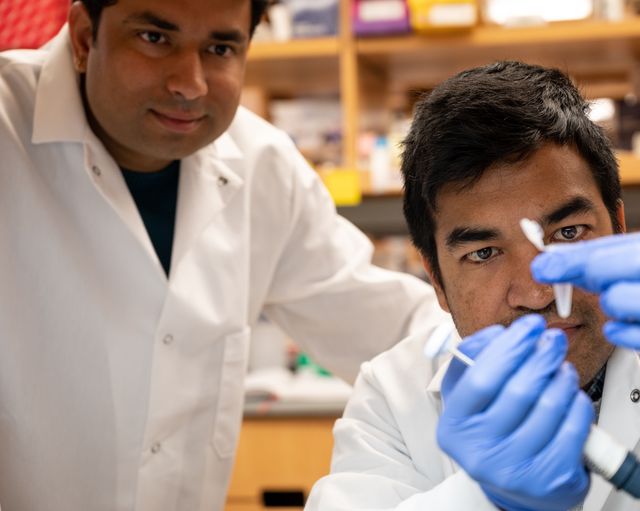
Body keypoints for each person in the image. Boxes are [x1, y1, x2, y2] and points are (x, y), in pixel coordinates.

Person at [0, 1, 446, 509]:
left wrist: (510, 351)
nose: (189, 83)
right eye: (154, 37)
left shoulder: (261, 165)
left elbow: (383, 321)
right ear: (84, 36)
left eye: (220, 48)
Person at [306, 60, 640, 510]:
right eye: (483, 254)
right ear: (438, 282)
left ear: (618, 228)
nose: (538, 292)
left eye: (568, 233)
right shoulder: (393, 399)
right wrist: (485, 500)